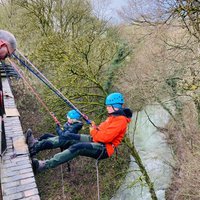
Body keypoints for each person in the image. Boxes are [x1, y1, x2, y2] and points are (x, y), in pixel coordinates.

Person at [27, 92, 132, 173]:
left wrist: (92, 130)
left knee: (78, 147)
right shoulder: (113, 117)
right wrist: (93, 125)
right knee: (67, 136)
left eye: (108, 106)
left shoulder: (120, 120)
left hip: (104, 149)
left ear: (115, 106)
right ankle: (36, 146)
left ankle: (43, 165)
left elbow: (105, 138)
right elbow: (101, 130)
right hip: (97, 140)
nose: (107, 108)